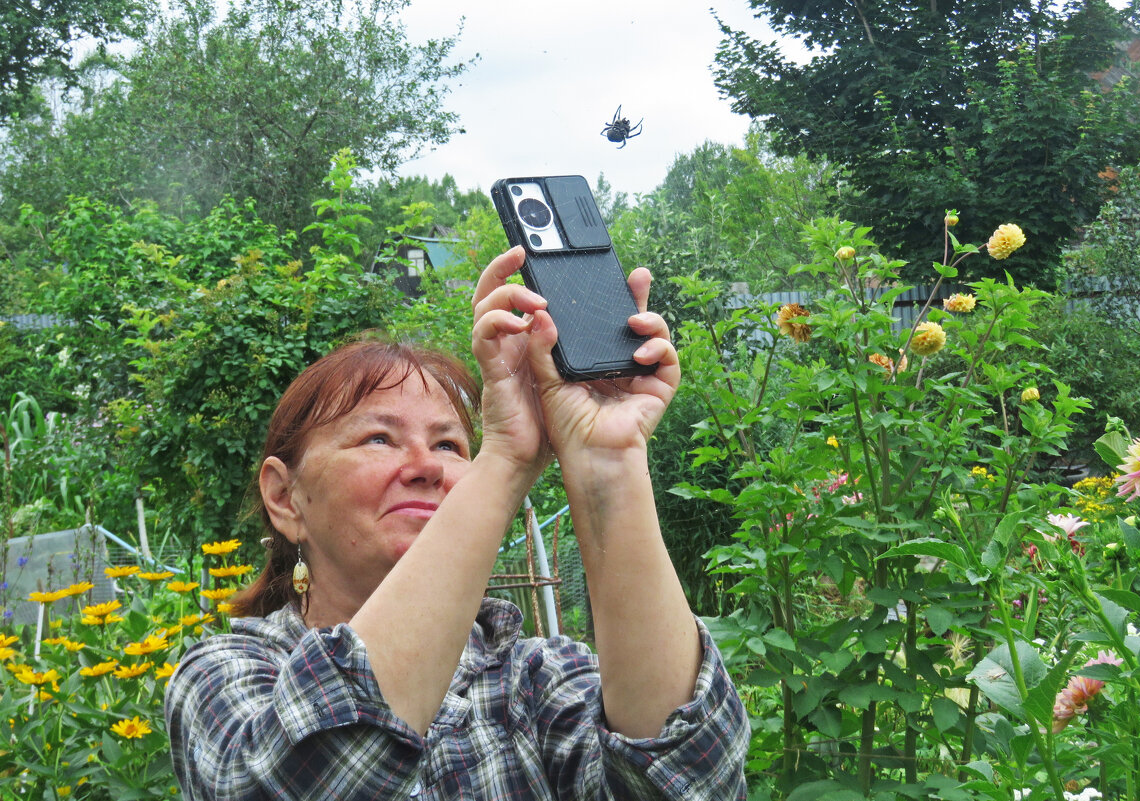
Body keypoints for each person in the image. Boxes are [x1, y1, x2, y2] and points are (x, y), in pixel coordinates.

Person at [165, 246, 750, 800]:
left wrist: (609, 460)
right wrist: (501, 460)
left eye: (449, 445)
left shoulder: (536, 680)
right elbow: (295, 780)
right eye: (378, 438)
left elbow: (691, 779)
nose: (426, 468)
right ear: (284, 496)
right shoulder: (226, 678)